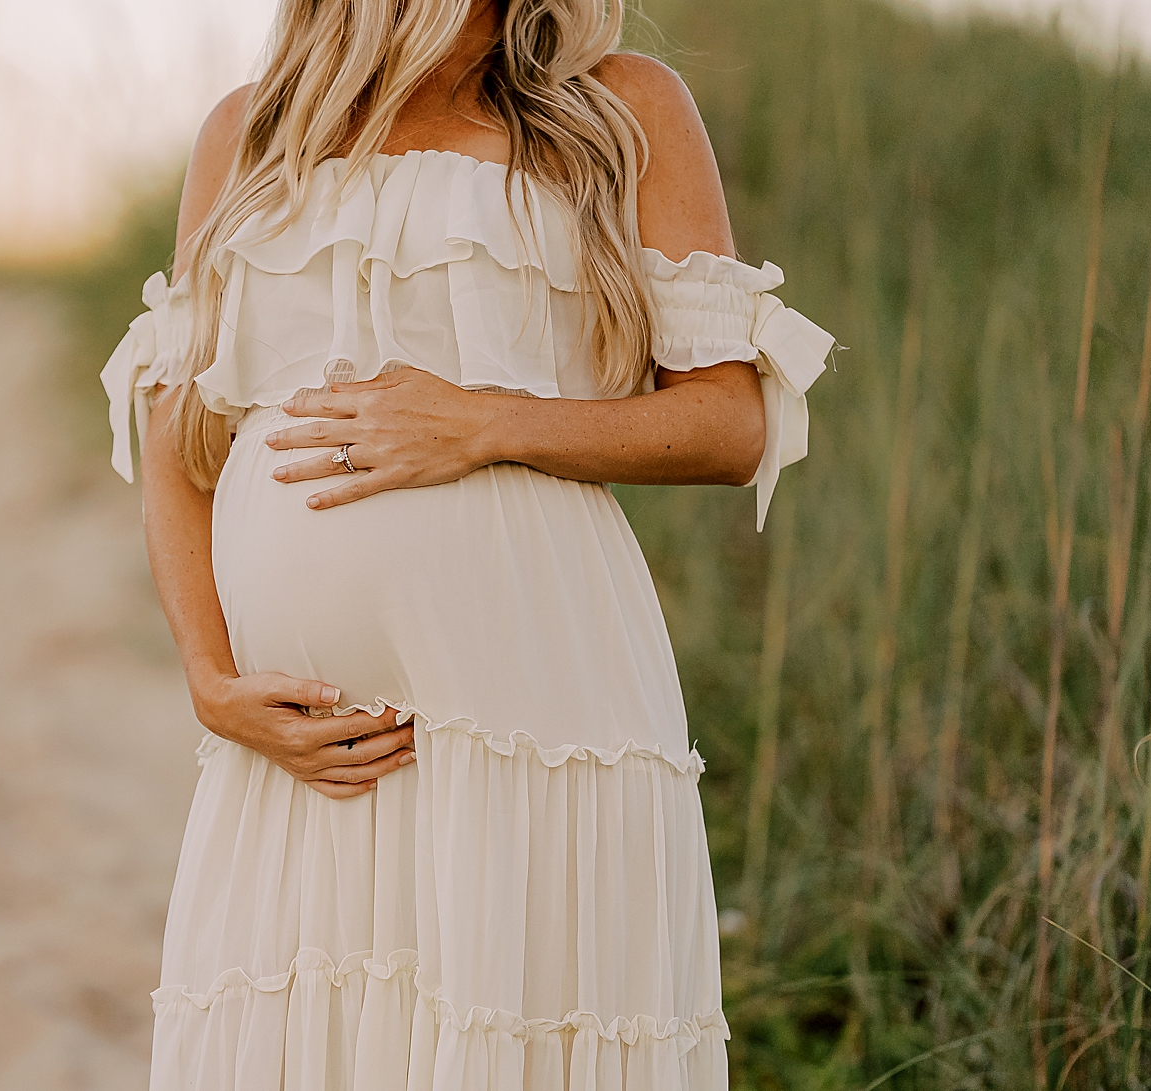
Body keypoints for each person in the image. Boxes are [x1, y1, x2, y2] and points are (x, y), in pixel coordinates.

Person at [98, 0, 834, 1086]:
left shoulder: (617, 110)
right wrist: (209, 679)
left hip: (543, 725)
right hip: (306, 754)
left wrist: (487, 420)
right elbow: (176, 440)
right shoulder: (250, 132)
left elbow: (729, 424)